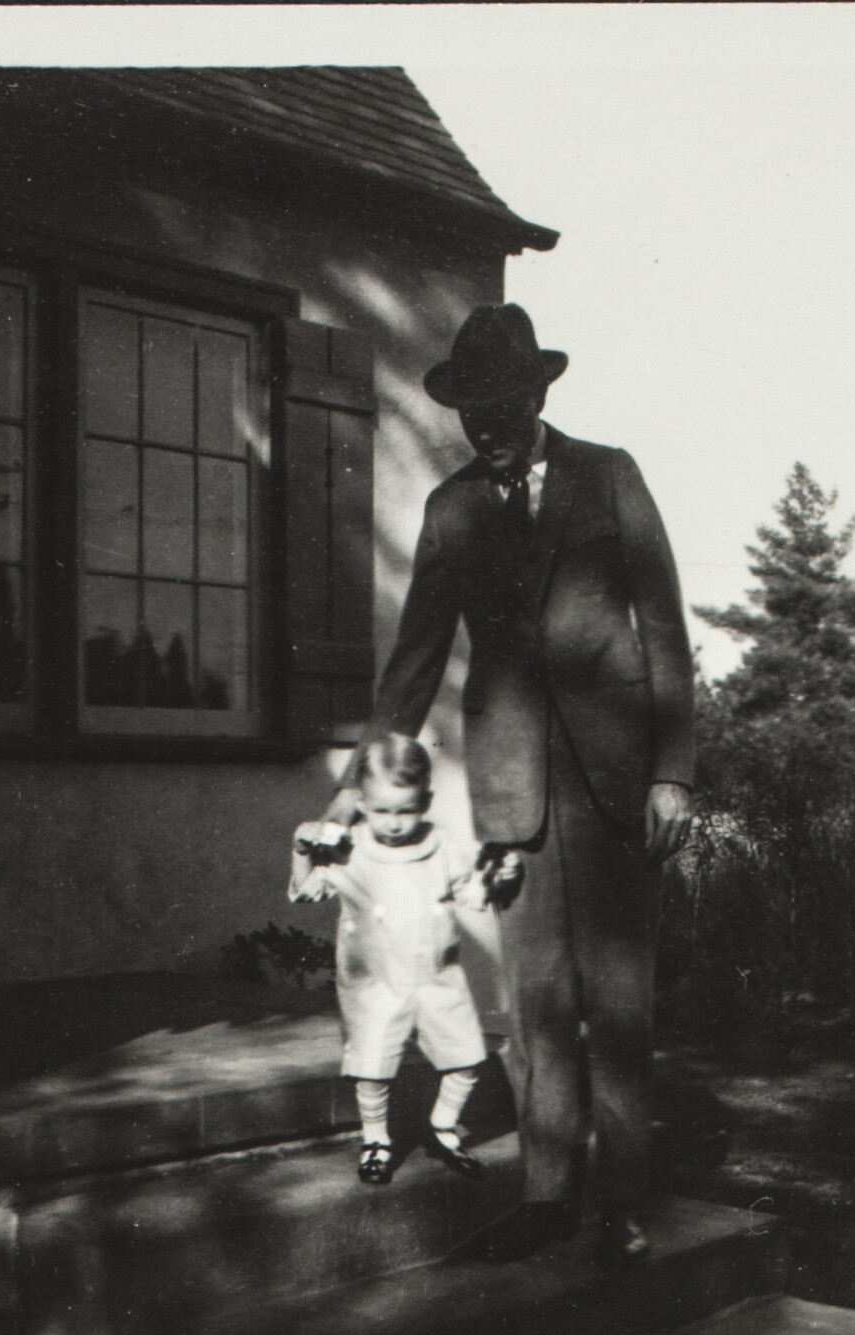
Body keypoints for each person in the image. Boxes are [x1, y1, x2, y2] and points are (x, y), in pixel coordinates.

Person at [320, 303, 695, 1262]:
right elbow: (415, 658)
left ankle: (620, 1203)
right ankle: (545, 1195)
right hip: (512, 788)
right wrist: (354, 783)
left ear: (535, 395)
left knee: (618, 1003)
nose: (484, 425)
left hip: (617, 785)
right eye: (470, 411)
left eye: (501, 404)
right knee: (534, 1003)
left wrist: (672, 774)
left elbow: (664, 627)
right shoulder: (451, 510)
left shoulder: (608, 476)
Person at [291, 732, 507, 1186]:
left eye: (405, 810)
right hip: (375, 980)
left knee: (467, 1058)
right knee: (371, 1066)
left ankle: (442, 1126)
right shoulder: (351, 849)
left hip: (436, 976)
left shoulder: (440, 845)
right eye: (381, 810)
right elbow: (308, 892)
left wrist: (494, 876)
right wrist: (302, 851)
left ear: (425, 802)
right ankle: (376, 1139)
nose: (392, 822)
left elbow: (471, 894)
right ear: (363, 804)